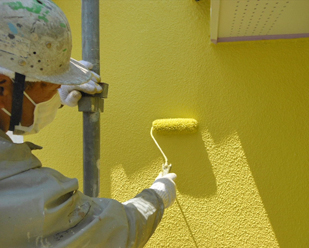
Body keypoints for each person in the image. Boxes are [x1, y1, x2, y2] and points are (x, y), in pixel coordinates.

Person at [0, 0, 177, 247]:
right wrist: (158, 195)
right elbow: (110, 230)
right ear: (4, 85)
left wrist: (55, 98)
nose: (56, 92)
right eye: (48, 85)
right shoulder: (19, 189)